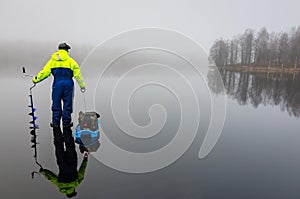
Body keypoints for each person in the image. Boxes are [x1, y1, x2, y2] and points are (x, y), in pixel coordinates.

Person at [32, 42, 86, 128]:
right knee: (67, 104)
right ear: (67, 50)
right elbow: (78, 76)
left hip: (57, 84)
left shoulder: (52, 61)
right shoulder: (71, 62)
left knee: (56, 103)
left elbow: (44, 72)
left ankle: (55, 123)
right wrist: (82, 86)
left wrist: (36, 79)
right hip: (68, 84)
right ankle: (66, 124)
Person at [39, 127, 88, 198]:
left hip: (72, 164)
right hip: (62, 166)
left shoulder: (76, 184)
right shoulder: (60, 185)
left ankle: (66, 127)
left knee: (69, 145)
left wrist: (85, 159)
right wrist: (43, 171)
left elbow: (82, 171)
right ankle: (56, 127)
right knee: (59, 146)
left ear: (73, 191)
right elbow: (51, 178)